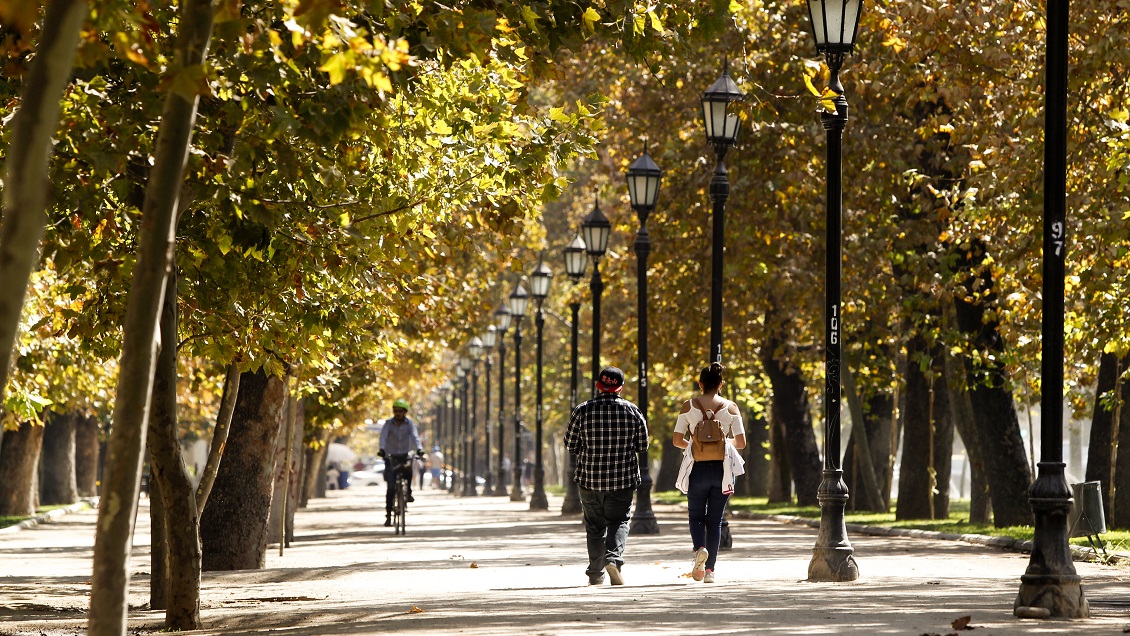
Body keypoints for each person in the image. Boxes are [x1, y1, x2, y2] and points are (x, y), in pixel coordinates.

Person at [564, 366, 649, 586]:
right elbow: (642, 445)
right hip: (622, 479)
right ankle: (614, 559)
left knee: (594, 526)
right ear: (620, 387)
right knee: (619, 521)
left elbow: (570, 445)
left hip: (589, 479)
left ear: (598, 385)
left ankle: (595, 573)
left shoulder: (582, 411)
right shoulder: (632, 411)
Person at [673, 362, 746, 584]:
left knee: (695, 516)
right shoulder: (731, 407)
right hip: (722, 470)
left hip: (697, 469)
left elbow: (677, 440)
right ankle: (710, 572)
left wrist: (696, 446)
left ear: (700, 383)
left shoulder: (688, 406)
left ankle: (700, 549)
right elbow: (741, 443)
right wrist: (722, 443)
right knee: (714, 521)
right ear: (721, 384)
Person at [379, 399, 424, 526]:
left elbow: (415, 437)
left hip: (404, 455)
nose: (398, 413)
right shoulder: (388, 423)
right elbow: (383, 437)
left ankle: (408, 493)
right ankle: (388, 515)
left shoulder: (409, 424)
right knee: (391, 487)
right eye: (396, 411)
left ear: (404, 412)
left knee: (408, 472)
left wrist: (419, 449)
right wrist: (382, 450)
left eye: (400, 411)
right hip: (390, 457)